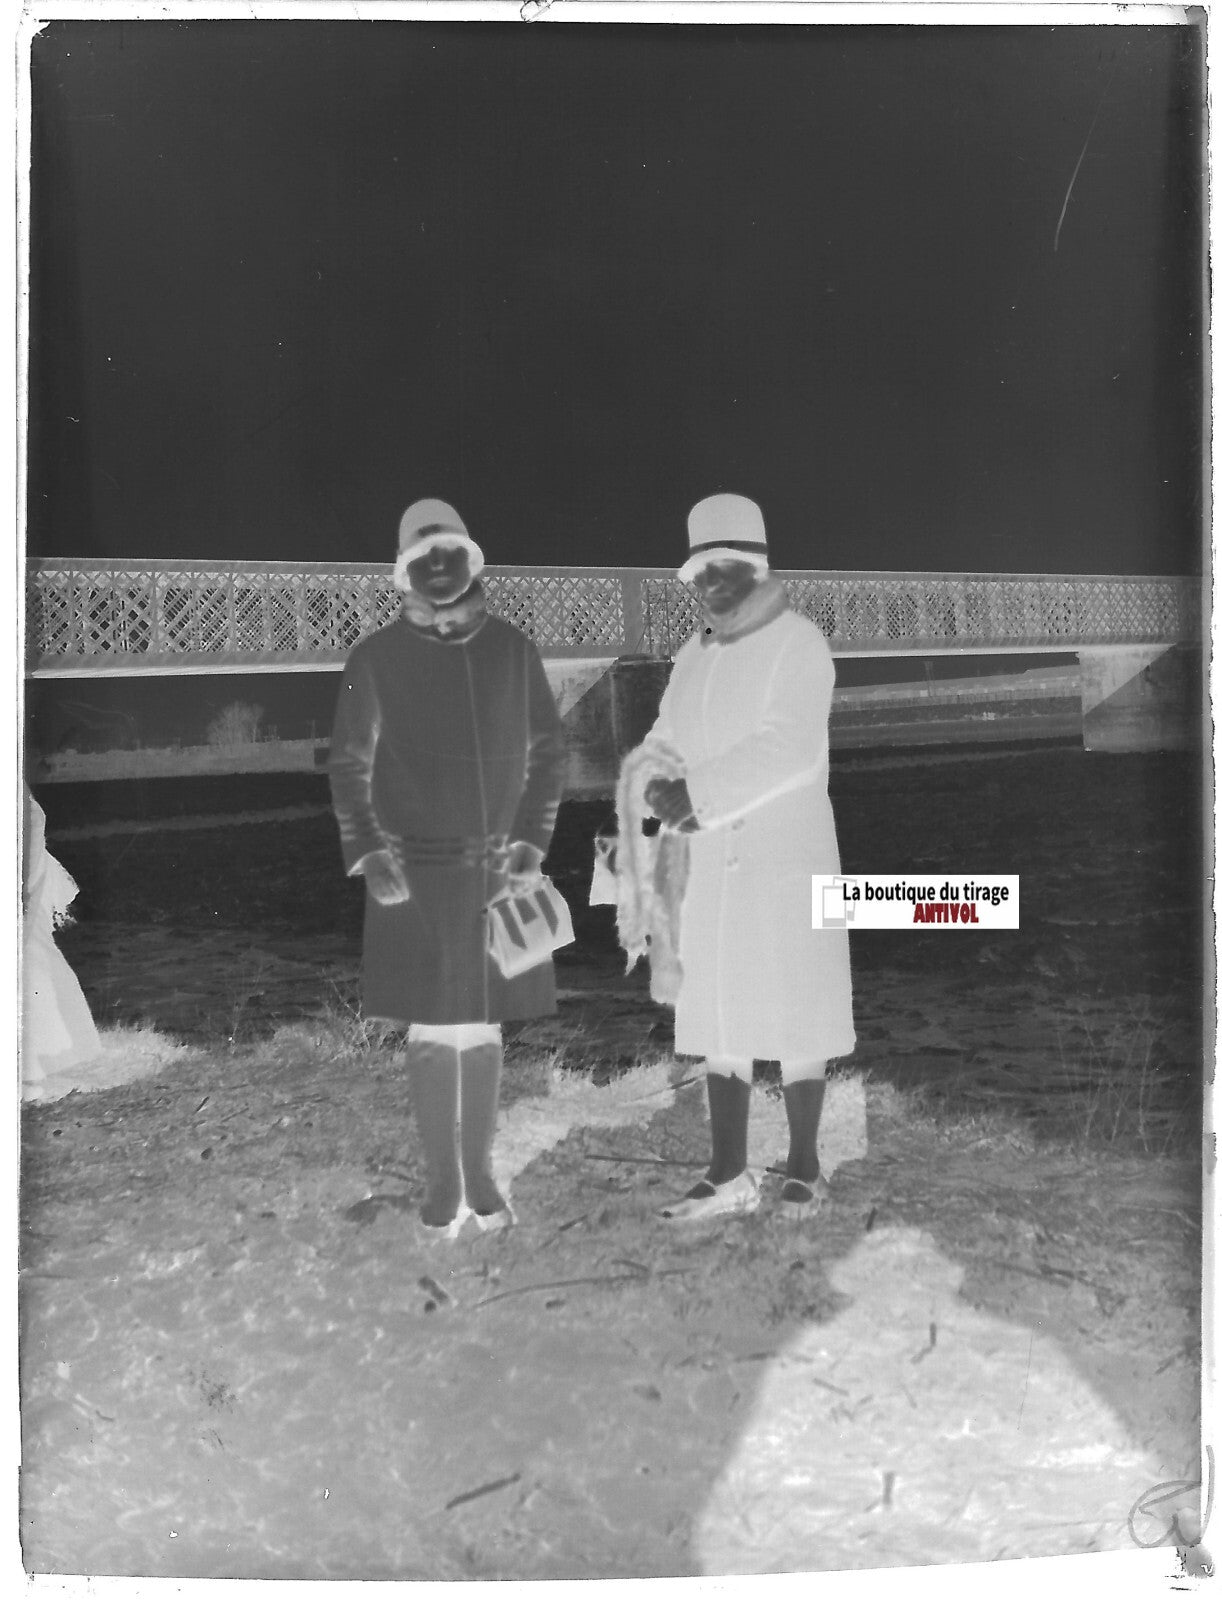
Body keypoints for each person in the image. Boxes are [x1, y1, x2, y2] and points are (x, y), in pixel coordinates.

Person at [329, 498, 566, 1238]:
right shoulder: (373, 658)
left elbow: (548, 752)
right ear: (406, 572)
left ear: (471, 562)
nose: (439, 569)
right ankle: (441, 1181)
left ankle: (482, 1174)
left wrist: (531, 841)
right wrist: (369, 851)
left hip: (500, 872)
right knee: (433, 1028)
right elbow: (348, 762)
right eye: (423, 559)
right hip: (412, 876)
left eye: (450, 555)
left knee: (483, 1025)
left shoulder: (514, 650)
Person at [630, 492, 856, 1223]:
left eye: (728, 566)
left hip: (782, 854)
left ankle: (804, 1167)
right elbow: (662, 736)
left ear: (758, 569)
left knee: (797, 1013)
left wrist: (694, 793)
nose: (713, 581)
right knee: (718, 1014)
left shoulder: (800, 643)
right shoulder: (691, 657)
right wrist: (646, 800)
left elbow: (788, 747)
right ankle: (727, 1171)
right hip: (706, 860)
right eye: (700, 569)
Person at [22, 783, 101, 1101]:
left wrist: (22, 888)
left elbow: (28, 824)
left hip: (23, 873)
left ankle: (44, 1058)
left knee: (30, 955)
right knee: (33, 955)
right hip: (25, 867)